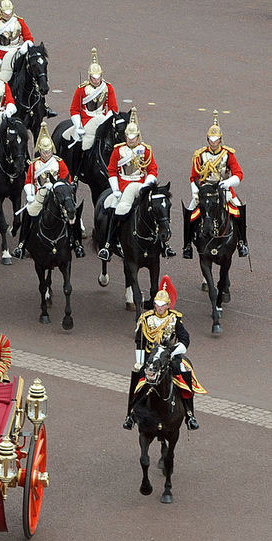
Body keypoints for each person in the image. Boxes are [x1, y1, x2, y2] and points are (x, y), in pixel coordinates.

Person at [123, 277, 201, 431]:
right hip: (150, 356)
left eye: (162, 305)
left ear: (167, 305)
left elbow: (185, 339)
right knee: (137, 378)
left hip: (169, 356)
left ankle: (190, 414)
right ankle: (130, 414)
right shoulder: (146, 319)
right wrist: (139, 361)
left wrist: (173, 351)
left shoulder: (174, 319)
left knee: (185, 372)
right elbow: (140, 341)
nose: (159, 308)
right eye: (157, 305)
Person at [98, 108, 175, 261]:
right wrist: (115, 189)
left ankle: (163, 244)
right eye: (128, 136)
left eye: (133, 137)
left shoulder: (145, 150)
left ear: (138, 136)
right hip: (123, 185)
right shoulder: (118, 151)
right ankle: (108, 245)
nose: (131, 139)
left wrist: (147, 184)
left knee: (156, 209)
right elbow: (112, 170)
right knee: (116, 209)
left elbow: (152, 169)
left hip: (141, 185)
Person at [13, 122, 85, 259]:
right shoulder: (34, 165)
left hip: (57, 193)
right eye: (44, 152)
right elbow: (29, 181)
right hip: (40, 193)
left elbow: (66, 180)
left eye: (49, 151)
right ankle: (21, 244)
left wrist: (56, 186)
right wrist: (29, 194)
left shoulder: (59, 162)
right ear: (40, 150)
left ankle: (77, 243)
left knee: (72, 211)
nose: (47, 154)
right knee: (29, 211)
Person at [183, 110, 248, 259]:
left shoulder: (227, 154)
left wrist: (228, 182)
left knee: (238, 209)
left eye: (216, 139)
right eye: (210, 140)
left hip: (223, 188)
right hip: (205, 189)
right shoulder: (200, 155)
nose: (213, 142)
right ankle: (187, 245)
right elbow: (194, 176)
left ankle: (242, 243)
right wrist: (195, 191)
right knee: (190, 210)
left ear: (220, 139)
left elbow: (239, 174)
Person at [67, 47, 118, 152]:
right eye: (94, 78)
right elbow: (74, 110)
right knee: (79, 142)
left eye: (98, 77)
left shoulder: (107, 87)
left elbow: (113, 108)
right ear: (89, 77)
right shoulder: (81, 89)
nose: (97, 80)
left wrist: (106, 120)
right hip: (86, 120)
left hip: (102, 118)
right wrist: (78, 125)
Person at [0, 0, 33, 81]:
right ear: (1, 11)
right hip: (1, 55)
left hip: (17, 53)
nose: (8, 15)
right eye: (6, 12)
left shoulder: (19, 22)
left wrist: (23, 49)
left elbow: (29, 39)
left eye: (9, 12)